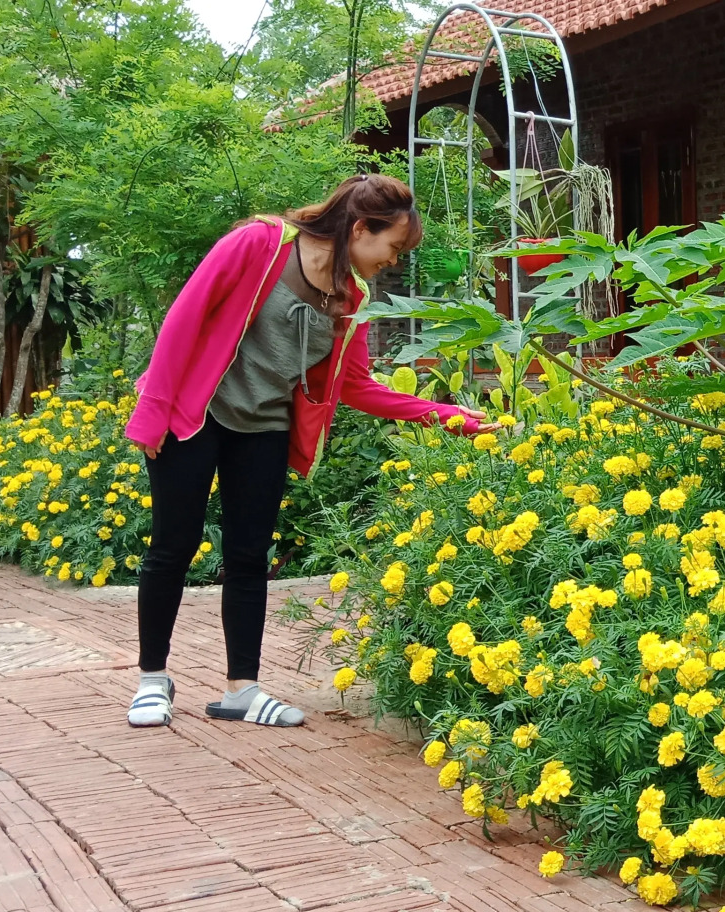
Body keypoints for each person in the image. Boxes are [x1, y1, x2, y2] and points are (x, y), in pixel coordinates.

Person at [121, 174, 489, 728]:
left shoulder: (350, 297)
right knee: (174, 545)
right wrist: (151, 416)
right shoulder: (259, 244)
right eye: (392, 249)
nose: (391, 263)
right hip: (195, 413)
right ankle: (153, 678)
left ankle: (242, 688)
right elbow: (182, 322)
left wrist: (450, 417)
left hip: (264, 425)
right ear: (361, 228)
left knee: (249, 554)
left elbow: (357, 386)